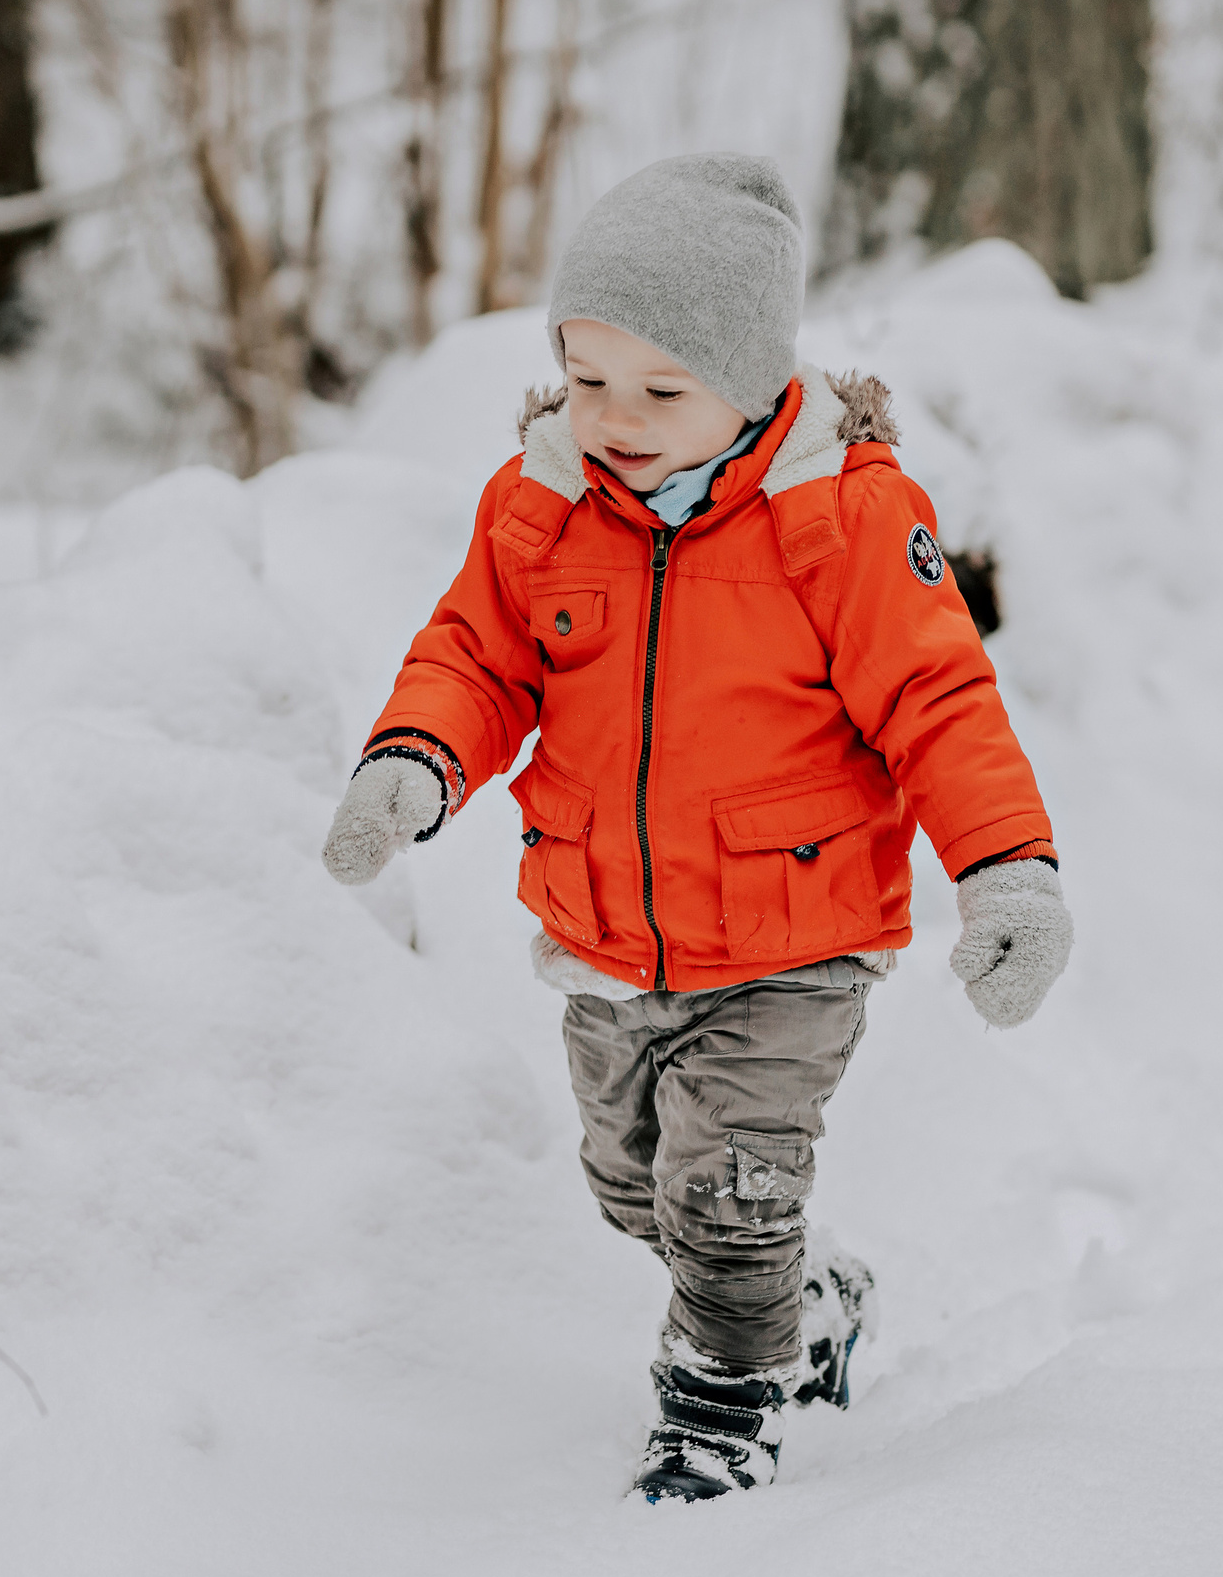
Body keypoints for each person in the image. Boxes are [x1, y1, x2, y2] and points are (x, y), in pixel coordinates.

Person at [319, 154, 1073, 1504]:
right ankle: (809, 1298)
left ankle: (720, 1411)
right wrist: (417, 760)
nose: (618, 417)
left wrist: (1009, 870)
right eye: (589, 377)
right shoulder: (542, 506)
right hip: (608, 937)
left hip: (796, 938)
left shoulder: (838, 515)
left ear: (751, 379)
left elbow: (940, 702)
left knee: (727, 1191)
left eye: (662, 390)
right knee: (638, 1188)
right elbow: (477, 660)